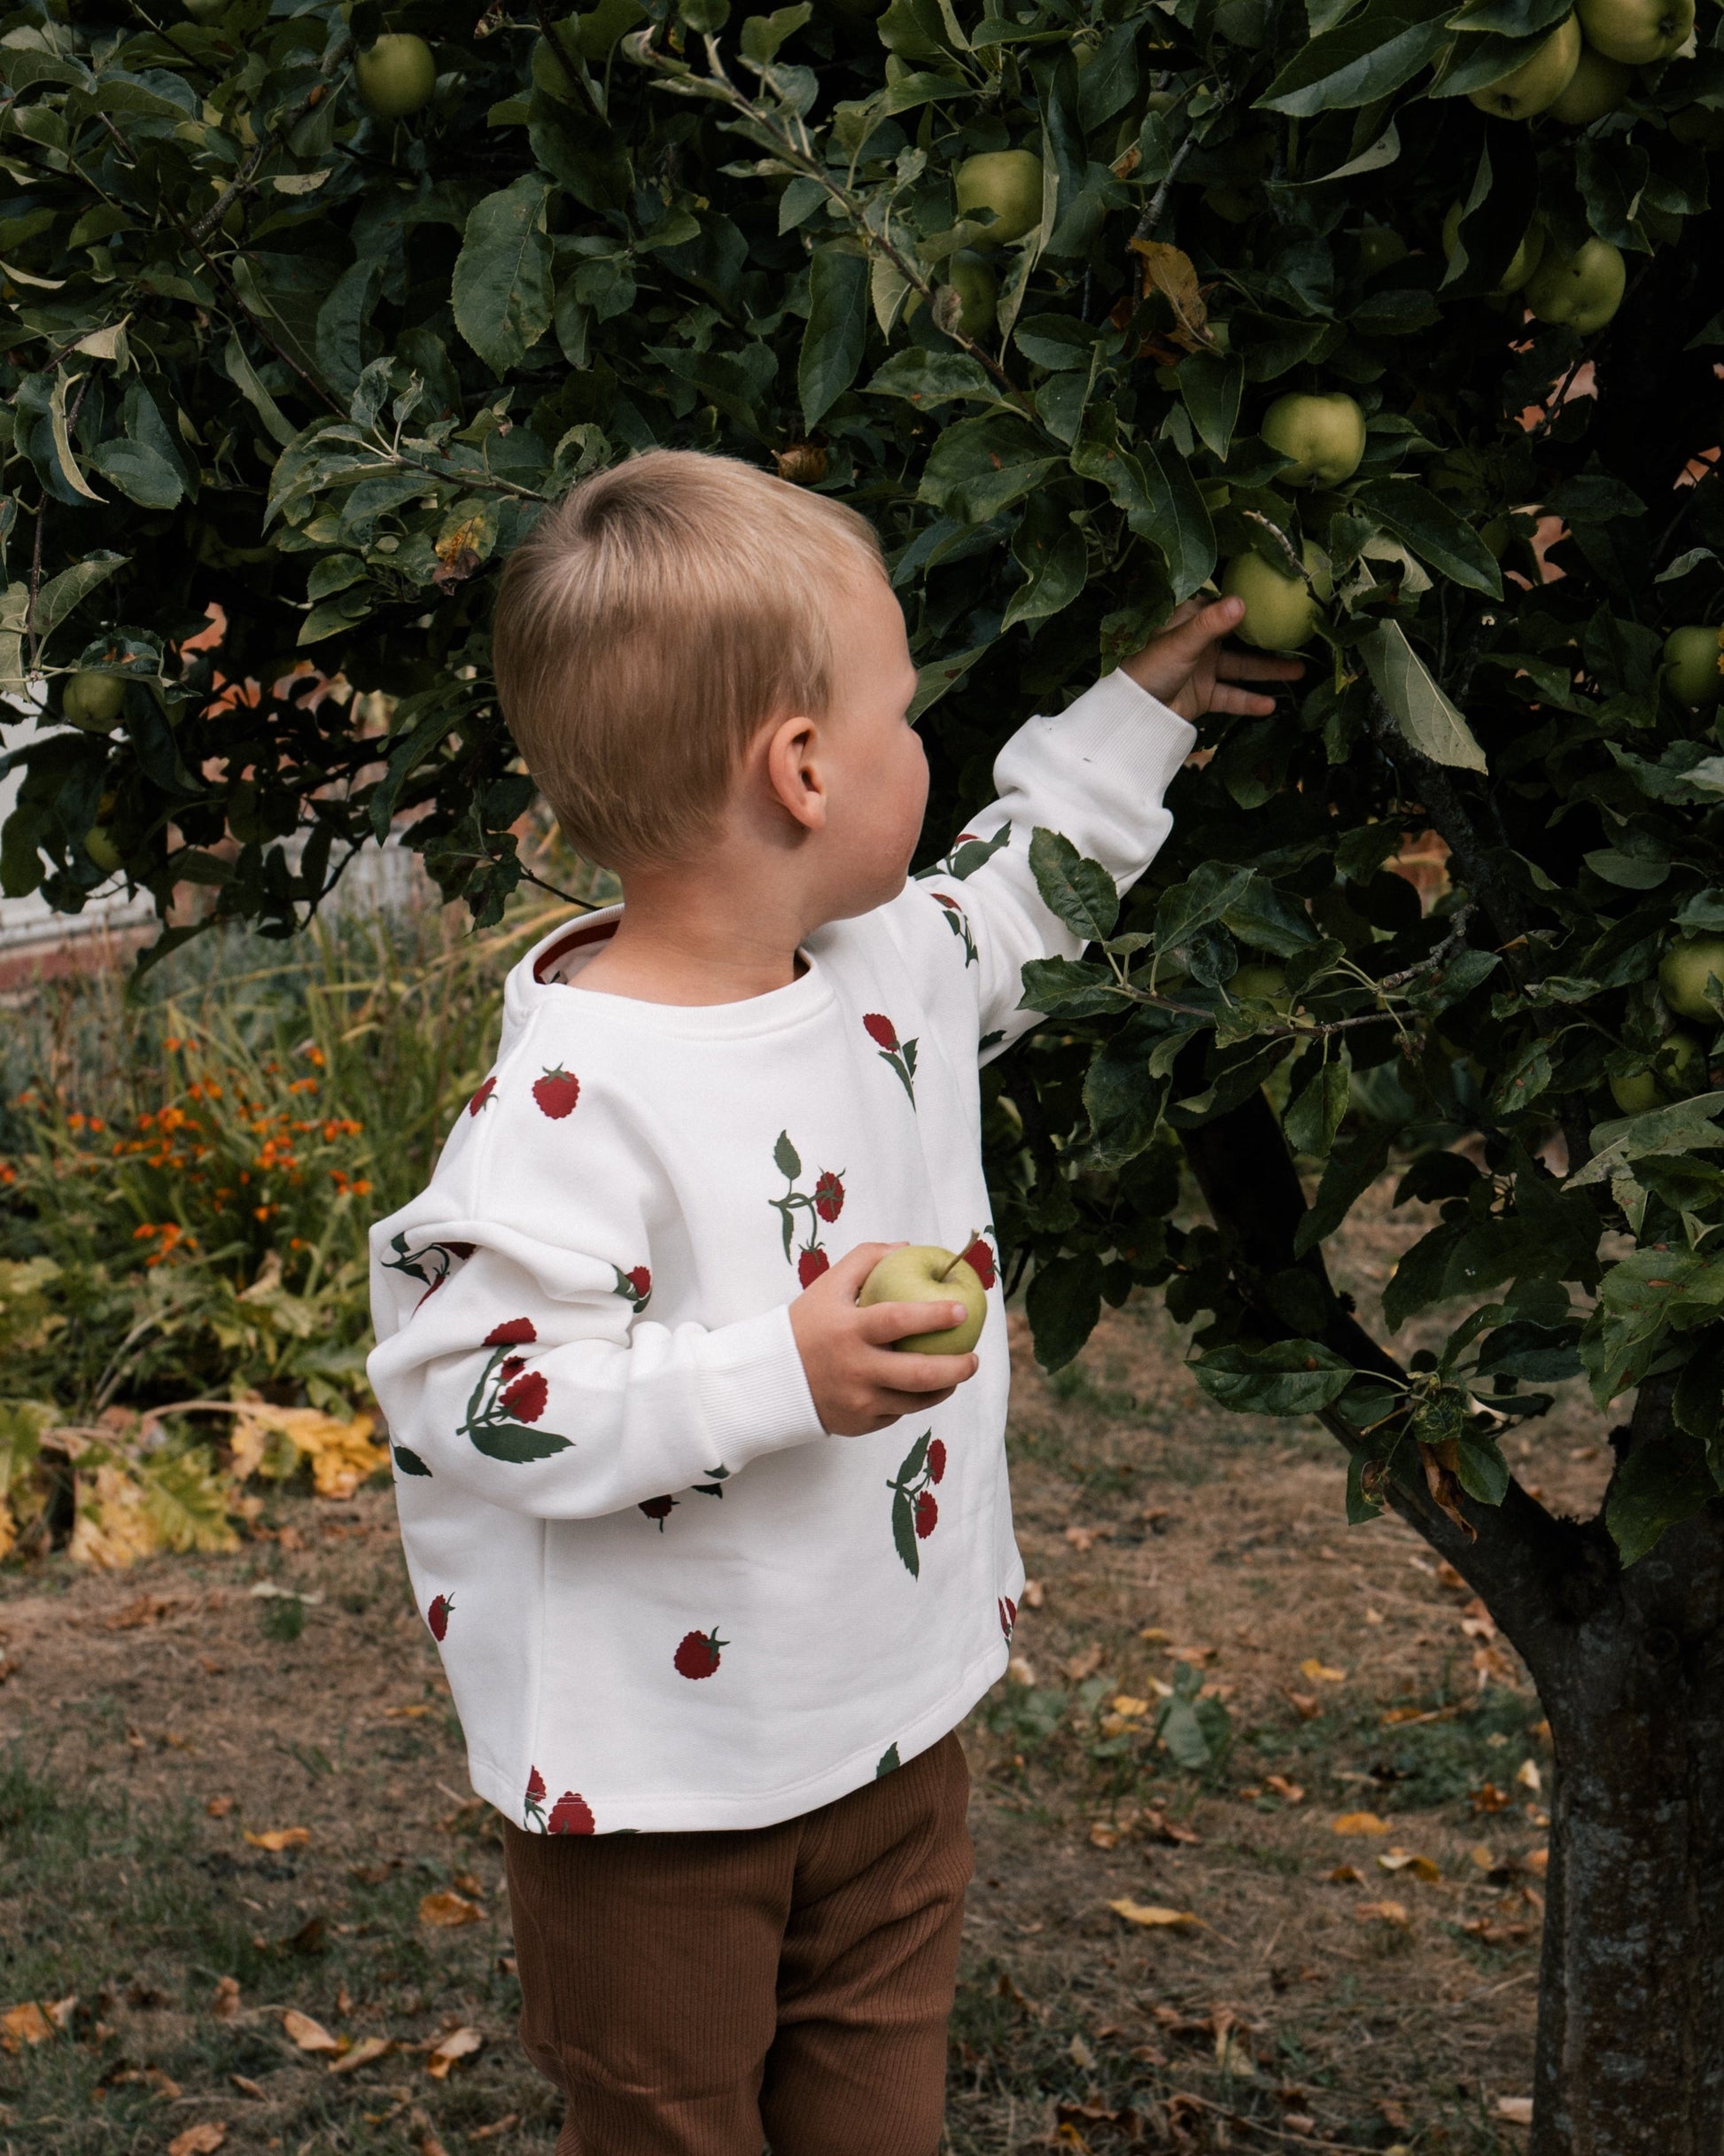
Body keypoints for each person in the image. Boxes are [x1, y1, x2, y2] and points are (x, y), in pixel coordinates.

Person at [367, 449, 1301, 2156]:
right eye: (903, 714)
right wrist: (773, 1369)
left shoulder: (884, 968)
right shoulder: (575, 1100)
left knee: (880, 2112)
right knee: (670, 2127)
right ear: (801, 769)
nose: (923, 746)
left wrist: (1137, 717)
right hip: (657, 1800)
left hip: (885, 1726)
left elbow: (1022, 892)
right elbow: (477, 1394)